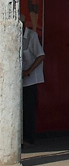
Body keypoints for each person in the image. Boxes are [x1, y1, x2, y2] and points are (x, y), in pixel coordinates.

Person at [21, 16, 45, 145]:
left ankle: (29, 138)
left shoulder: (32, 36)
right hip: (18, 79)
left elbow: (40, 55)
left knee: (29, 109)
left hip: (30, 79)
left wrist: (29, 71)